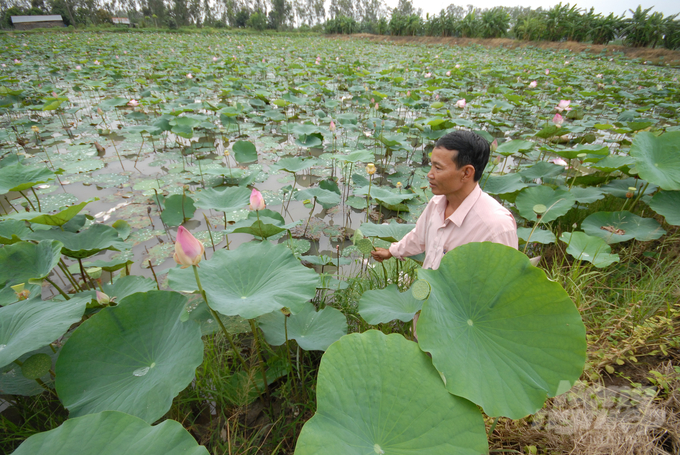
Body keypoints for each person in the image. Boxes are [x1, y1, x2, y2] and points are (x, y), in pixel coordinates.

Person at [371, 130, 518, 269]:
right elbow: (419, 236)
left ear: (466, 173)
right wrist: (392, 251)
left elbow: (504, 284)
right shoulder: (437, 202)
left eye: (438, 168)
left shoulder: (496, 227)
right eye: (431, 166)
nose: (429, 174)